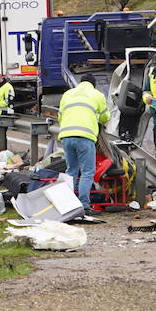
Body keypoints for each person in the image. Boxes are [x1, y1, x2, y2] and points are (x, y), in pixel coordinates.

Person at [57, 77, 110, 211]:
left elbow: (60, 117)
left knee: (71, 171)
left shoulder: (67, 94)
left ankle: (69, 205)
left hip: (66, 136)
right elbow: (105, 117)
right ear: (93, 84)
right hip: (85, 137)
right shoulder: (97, 95)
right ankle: (84, 205)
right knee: (87, 172)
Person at [0, 72, 14, 151]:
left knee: (1, 135)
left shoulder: (8, 87)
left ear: (0, 79)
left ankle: (2, 151)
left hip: (4, 114)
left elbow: (9, 102)